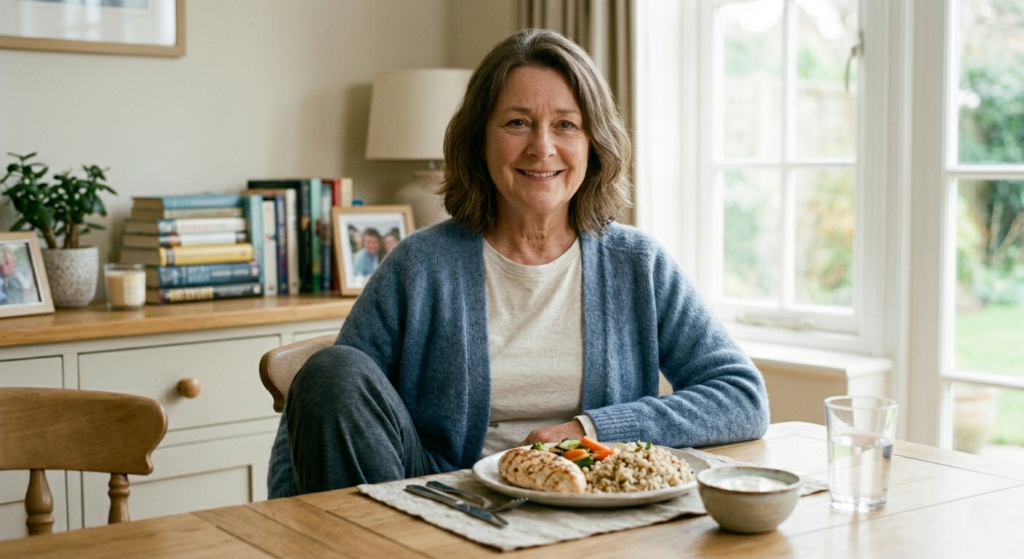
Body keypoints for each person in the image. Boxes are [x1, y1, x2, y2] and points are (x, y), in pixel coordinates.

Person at [268, 28, 769, 498]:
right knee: (331, 368)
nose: (542, 147)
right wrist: (288, 526)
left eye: (566, 124)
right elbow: (325, 409)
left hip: (592, 508)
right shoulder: (418, 266)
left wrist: (589, 430)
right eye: (517, 123)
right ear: (480, 140)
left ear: (593, 145)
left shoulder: (638, 265)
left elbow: (742, 397)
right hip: (437, 502)